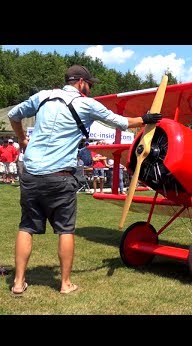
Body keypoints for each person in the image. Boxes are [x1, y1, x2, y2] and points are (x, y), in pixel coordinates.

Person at [8, 64, 162, 295]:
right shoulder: (86, 103)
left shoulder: (43, 97)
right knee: (66, 229)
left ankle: (18, 283)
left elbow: (13, 115)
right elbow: (120, 122)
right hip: (60, 176)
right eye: (89, 84)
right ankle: (65, 284)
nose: (89, 88)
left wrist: (21, 139)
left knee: (27, 226)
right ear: (81, 82)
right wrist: (145, 118)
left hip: (31, 174)